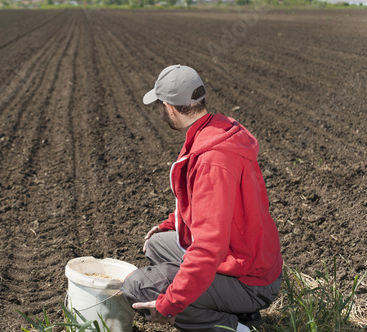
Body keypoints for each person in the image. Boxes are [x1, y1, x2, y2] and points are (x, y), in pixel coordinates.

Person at [121, 65, 283, 332]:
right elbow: (209, 205)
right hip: (249, 258)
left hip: (251, 280)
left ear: (169, 107)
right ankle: (238, 310)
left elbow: (209, 248)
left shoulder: (212, 160)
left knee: (138, 287)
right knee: (157, 245)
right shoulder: (215, 130)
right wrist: (171, 223)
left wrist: (170, 304)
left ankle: (237, 328)